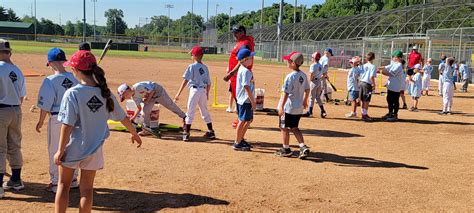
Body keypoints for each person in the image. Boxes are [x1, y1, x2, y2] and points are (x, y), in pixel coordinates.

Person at [54, 50, 142, 212]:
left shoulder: (72, 93)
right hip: (95, 149)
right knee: (87, 190)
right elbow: (123, 118)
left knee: (63, 185)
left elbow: (67, 124)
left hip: (73, 148)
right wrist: (134, 133)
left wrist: (60, 149)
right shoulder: (105, 93)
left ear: (76, 70)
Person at [35, 48, 80, 193]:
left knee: (55, 149)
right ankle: (72, 179)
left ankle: (56, 182)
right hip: (76, 119)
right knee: (72, 148)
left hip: (57, 118)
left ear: (50, 63)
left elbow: (45, 105)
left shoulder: (49, 80)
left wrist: (41, 121)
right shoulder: (75, 78)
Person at [0, 39, 26, 198]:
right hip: (16, 109)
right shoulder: (17, 70)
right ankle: (16, 180)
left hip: (1, 110)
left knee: (0, 148)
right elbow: (22, 95)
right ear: (9, 52)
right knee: (14, 144)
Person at [174, 46, 216, 142]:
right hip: (203, 91)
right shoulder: (205, 67)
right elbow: (209, 83)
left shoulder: (191, 66)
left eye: (192, 54)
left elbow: (185, 80)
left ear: (195, 56)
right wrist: (207, 94)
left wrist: (178, 93)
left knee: (190, 111)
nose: (191, 56)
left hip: (194, 91)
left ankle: (186, 133)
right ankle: (211, 131)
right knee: (204, 111)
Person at [275, 52, 310, 159]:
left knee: (284, 127)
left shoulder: (290, 76)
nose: (287, 62)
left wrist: (281, 106)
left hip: (288, 108)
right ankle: (302, 147)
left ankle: (286, 149)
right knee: (295, 127)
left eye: (289, 61)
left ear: (294, 63)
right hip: (298, 107)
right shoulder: (303, 75)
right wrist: (305, 101)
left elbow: (286, 92)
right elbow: (307, 89)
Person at [117, 81, 187, 136]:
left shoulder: (138, 87)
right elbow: (139, 108)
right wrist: (133, 118)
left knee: (170, 105)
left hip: (158, 92)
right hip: (150, 97)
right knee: (145, 111)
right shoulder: (134, 97)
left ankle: (184, 117)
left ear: (127, 91)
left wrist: (147, 100)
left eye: (123, 96)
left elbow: (152, 90)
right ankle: (147, 129)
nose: (125, 98)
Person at [223, 25, 255, 126]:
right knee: (239, 96)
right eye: (233, 32)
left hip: (239, 75)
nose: (234, 34)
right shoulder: (242, 42)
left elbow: (243, 60)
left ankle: (243, 119)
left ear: (242, 32)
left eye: (236, 32)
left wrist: (231, 73)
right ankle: (241, 118)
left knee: (241, 97)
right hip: (237, 74)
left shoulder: (245, 43)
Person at [233, 48, 256, 151]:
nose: (252, 59)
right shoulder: (246, 71)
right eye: (251, 57)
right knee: (242, 120)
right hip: (245, 100)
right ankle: (237, 142)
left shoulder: (243, 69)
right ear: (245, 59)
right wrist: (253, 101)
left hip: (243, 99)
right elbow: (246, 87)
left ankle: (240, 139)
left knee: (249, 119)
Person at [379, 50, 404, 122]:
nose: (392, 58)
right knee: (389, 99)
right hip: (390, 86)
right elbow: (386, 67)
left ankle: (395, 115)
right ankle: (390, 113)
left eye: (394, 57)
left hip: (396, 87)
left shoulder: (399, 65)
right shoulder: (394, 63)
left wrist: (381, 72)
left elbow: (391, 73)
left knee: (395, 101)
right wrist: (378, 67)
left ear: (398, 58)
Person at [305, 51, 327, 118]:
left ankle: (310, 112)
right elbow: (325, 74)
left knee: (311, 97)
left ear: (314, 58)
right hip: (319, 82)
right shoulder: (320, 65)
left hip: (314, 82)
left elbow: (311, 74)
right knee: (317, 97)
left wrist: (311, 79)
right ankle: (323, 110)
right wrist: (321, 78)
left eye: (312, 57)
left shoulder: (313, 65)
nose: (311, 58)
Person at [359, 52, 377, 121]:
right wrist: (374, 84)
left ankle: (363, 113)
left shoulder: (364, 65)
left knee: (362, 99)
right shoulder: (373, 66)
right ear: (373, 58)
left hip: (361, 83)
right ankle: (364, 115)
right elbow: (371, 76)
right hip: (367, 84)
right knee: (366, 100)